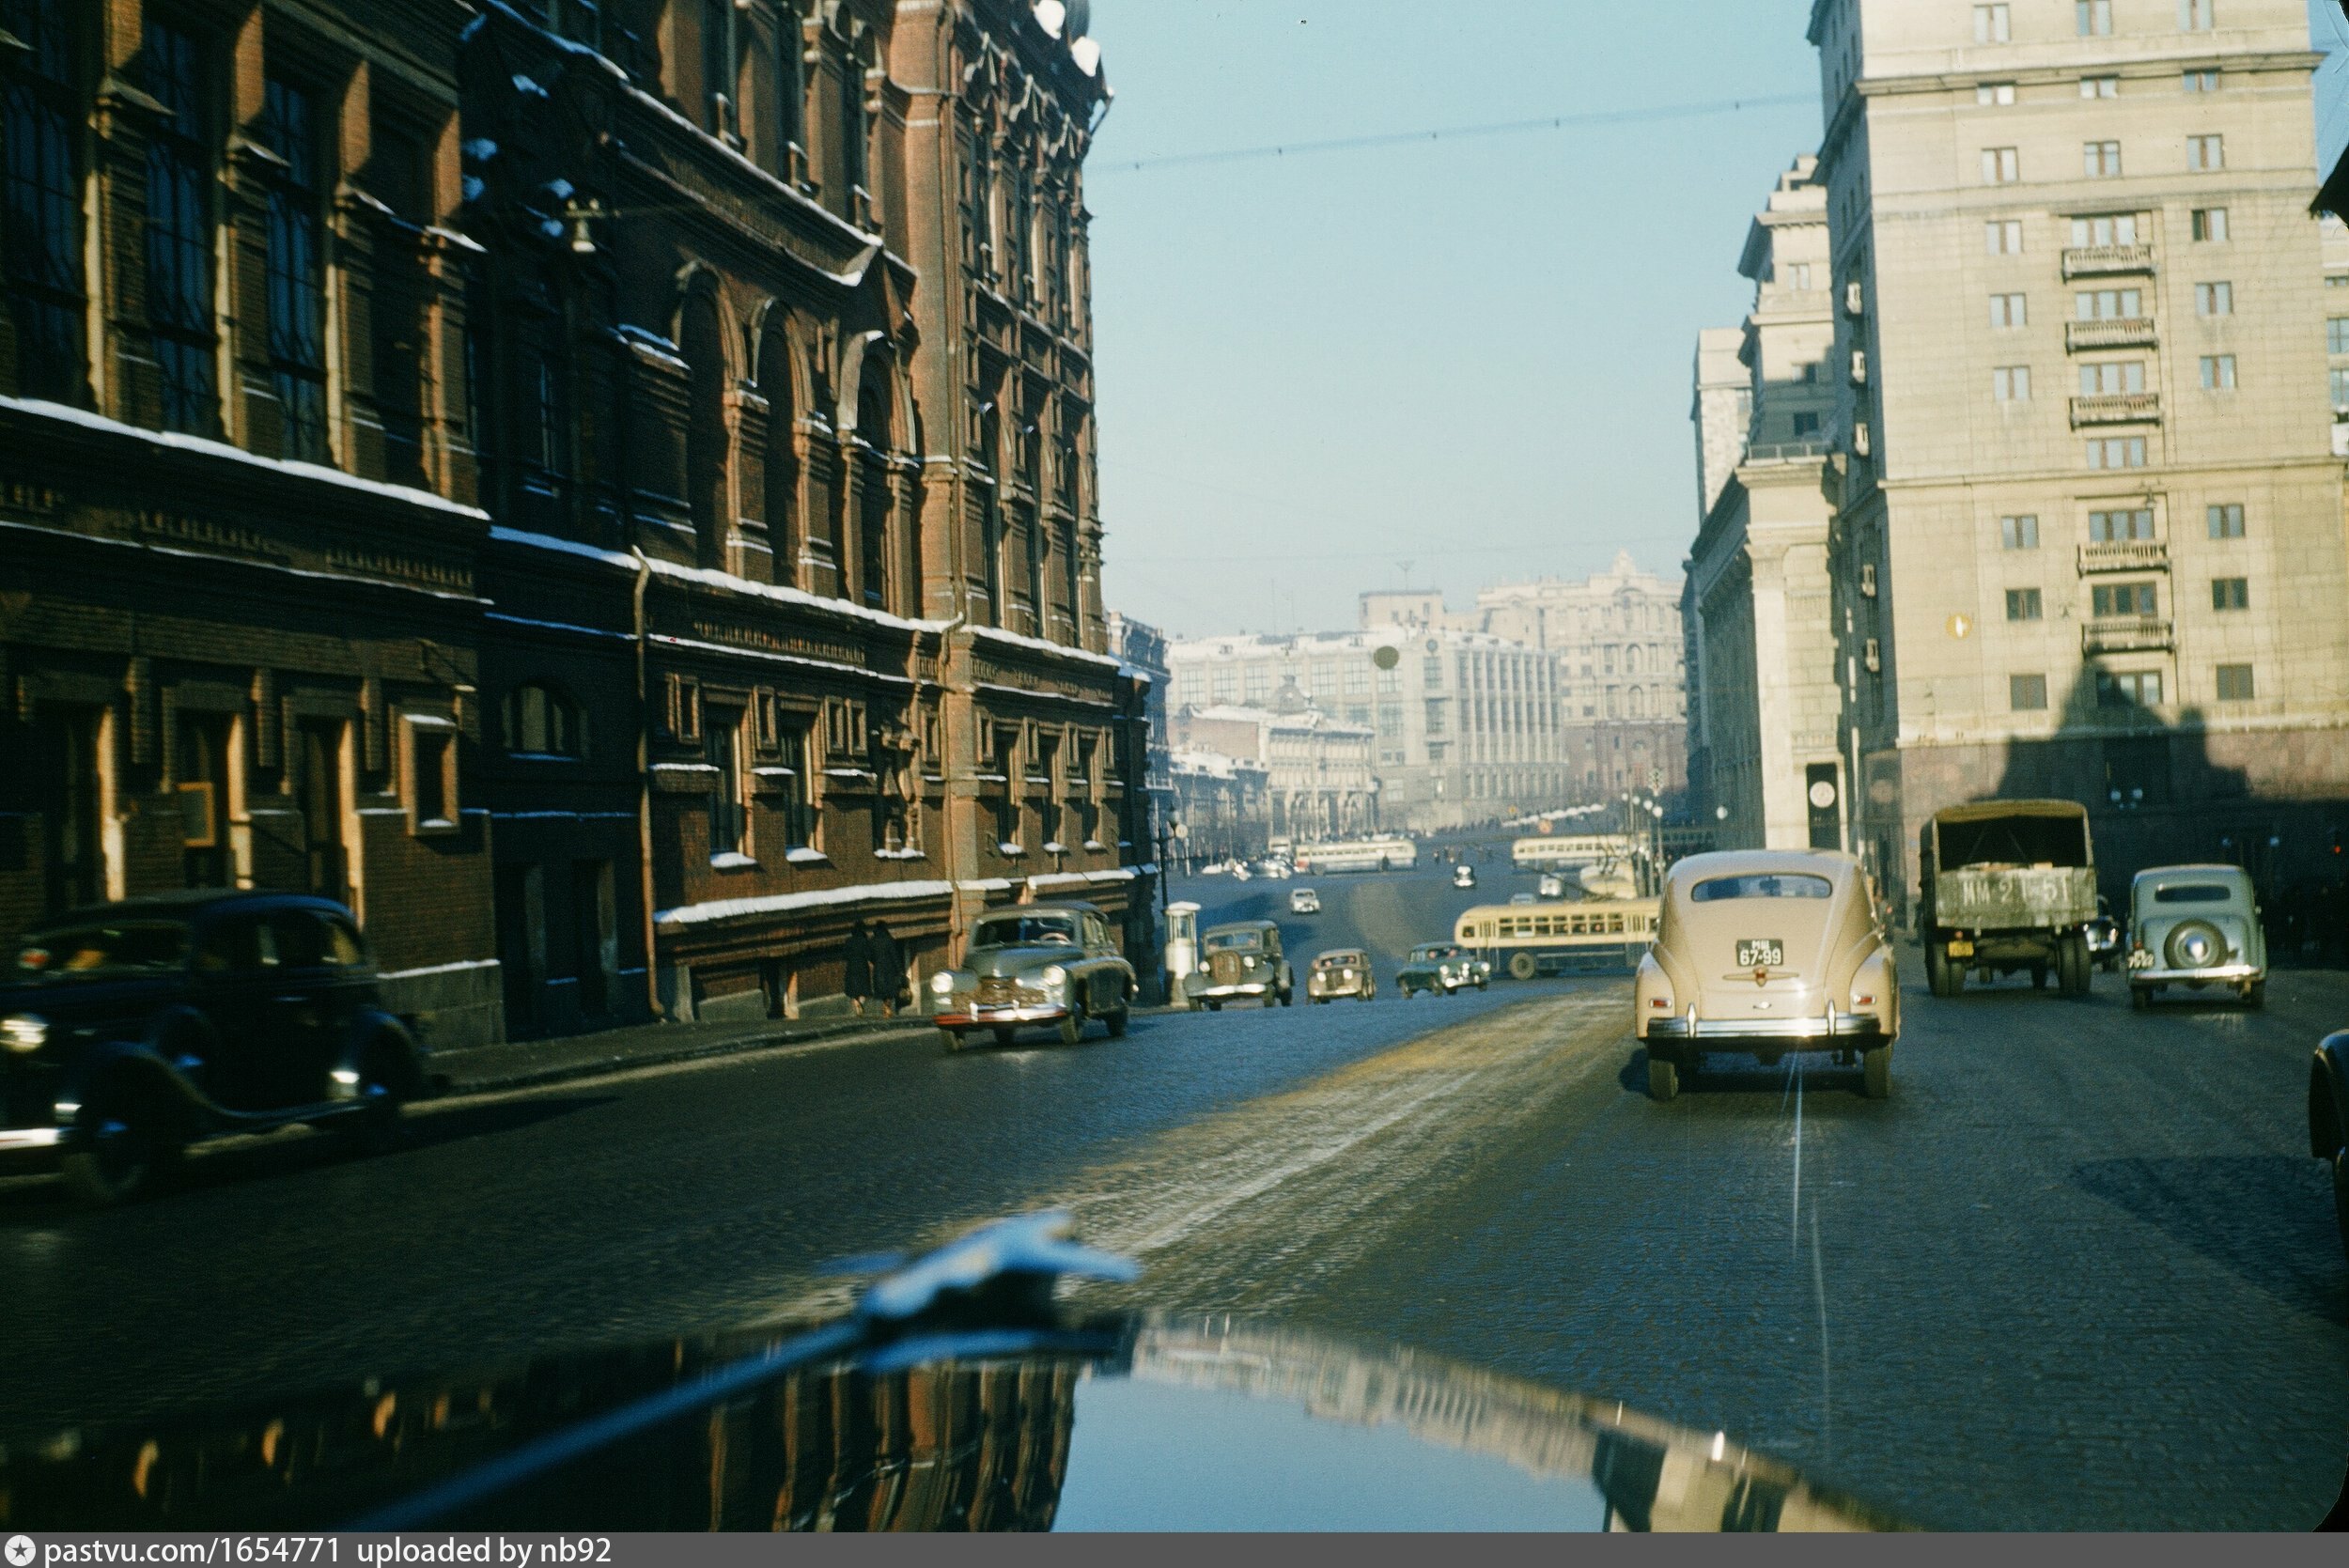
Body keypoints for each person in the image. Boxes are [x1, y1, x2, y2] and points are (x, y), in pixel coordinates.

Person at [869, 920, 906, 1018]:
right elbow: (895, 956)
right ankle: (887, 1008)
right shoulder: (889, 940)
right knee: (890, 990)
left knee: (882, 990)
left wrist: (875, 962)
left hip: (878, 969)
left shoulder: (872, 941)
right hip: (890, 969)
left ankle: (885, 1007)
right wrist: (900, 970)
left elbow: (870, 955)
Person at [843, 920, 874, 1018]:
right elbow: (869, 955)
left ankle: (856, 1003)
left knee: (853, 989)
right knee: (864, 989)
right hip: (862, 967)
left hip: (851, 967)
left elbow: (845, 956)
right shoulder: (865, 941)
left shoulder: (849, 941)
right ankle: (860, 1003)